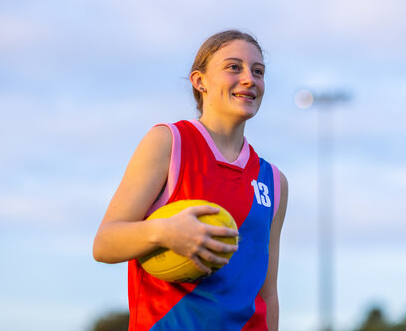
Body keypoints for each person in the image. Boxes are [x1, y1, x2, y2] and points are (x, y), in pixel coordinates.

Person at [93, 30, 288, 331]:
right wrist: (164, 232)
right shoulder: (169, 143)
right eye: (234, 67)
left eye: (258, 71)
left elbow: (268, 292)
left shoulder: (274, 181)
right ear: (200, 81)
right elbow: (104, 244)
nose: (249, 79)